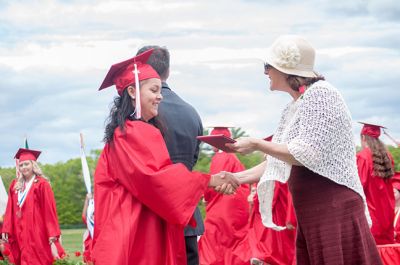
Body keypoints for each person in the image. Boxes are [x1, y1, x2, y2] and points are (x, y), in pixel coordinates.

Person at [220, 35, 382, 264]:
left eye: (268, 66)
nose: (265, 72)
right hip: (313, 210)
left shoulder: (321, 94)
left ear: (286, 69)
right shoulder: (294, 107)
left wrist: (257, 143)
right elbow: (277, 161)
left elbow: (307, 154)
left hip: (332, 206)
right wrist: (236, 177)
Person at [92, 49, 238, 264]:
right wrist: (211, 180)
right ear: (132, 92)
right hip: (138, 230)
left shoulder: (127, 131)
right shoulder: (132, 132)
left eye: (160, 89)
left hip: (148, 222)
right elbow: (157, 179)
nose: (160, 96)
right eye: (153, 90)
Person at [136, 45, 206, 265]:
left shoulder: (140, 110)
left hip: (152, 216)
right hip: (187, 214)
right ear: (168, 71)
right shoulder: (191, 112)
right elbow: (193, 159)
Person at [2, 148, 65, 265]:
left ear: (33, 165)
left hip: (37, 230)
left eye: (26, 164)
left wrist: (52, 232)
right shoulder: (15, 186)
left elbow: (49, 210)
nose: (24, 167)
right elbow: (9, 209)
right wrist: (6, 228)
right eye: (21, 165)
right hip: (18, 230)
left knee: (38, 258)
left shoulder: (42, 184)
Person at [198, 127, 250, 265]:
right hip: (239, 206)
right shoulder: (234, 158)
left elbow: (214, 182)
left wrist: (206, 196)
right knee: (235, 240)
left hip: (224, 206)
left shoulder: (220, 157)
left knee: (216, 239)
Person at [357, 122, 395, 244]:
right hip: (387, 215)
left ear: (363, 138)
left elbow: (358, 188)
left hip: (371, 217)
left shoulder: (362, 157)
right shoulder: (388, 156)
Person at [81, 193, 94, 264]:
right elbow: (84, 216)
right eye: (92, 214)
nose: (93, 216)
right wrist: (87, 200)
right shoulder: (89, 223)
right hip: (90, 245)